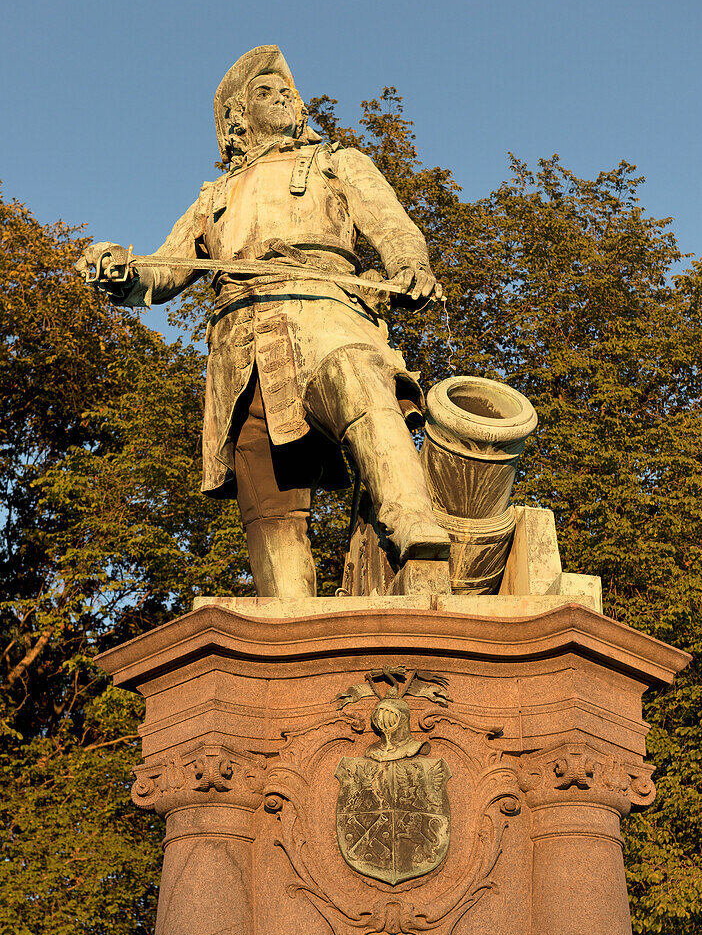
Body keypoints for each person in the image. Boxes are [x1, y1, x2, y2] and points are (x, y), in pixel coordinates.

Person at [79, 45, 450, 597]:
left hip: (327, 314)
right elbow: (164, 270)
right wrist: (121, 270)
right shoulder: (215, 195)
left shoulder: (337, 164)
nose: (282, 95)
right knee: (266, 491)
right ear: (236, 119)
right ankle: (285, 619)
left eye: (286, 89)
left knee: (359, 383)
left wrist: (411, 267)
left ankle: (416, 530)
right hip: (241, 349)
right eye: (263, 90)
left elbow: (394, 229)